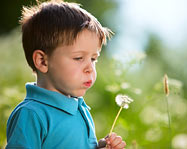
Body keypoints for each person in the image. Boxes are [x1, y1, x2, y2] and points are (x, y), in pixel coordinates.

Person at [6, 0, 126, 148]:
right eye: (78, 58)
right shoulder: (31, 115)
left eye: (93, 59)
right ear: (43, 61)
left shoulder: (80, 108)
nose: (90, 68)